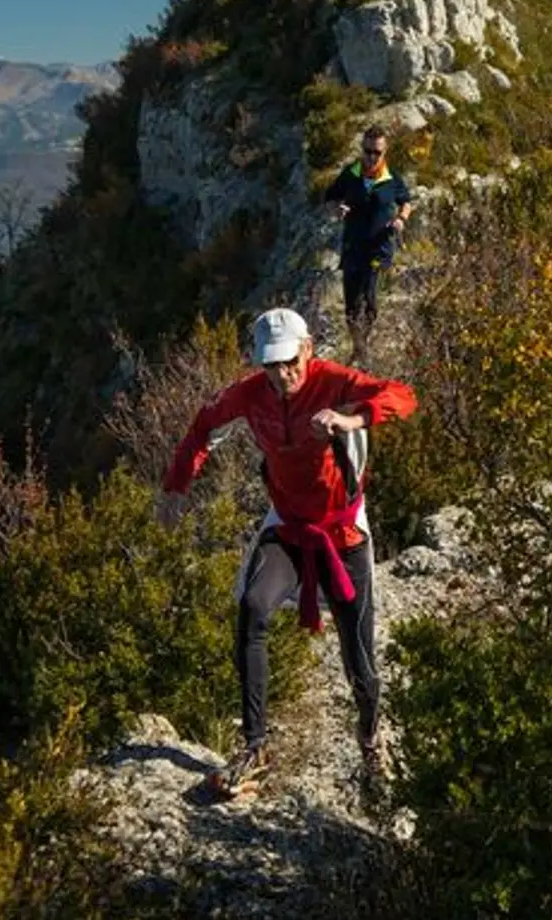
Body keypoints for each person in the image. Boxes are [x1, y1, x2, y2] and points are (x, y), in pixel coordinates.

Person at [156, 306, 417, 800]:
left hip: (342, 532)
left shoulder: (333, 381)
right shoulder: (251, 394)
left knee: (358, 654)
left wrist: (349, 418)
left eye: (290, 361)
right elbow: (203, 426)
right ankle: (255, 745)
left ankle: (370, 742)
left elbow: (402, 396)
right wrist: (177, 487)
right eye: (271, 364)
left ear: (308, 350)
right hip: (289, 526)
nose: (282, 374)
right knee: (252, 608)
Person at [324, 125, 414, 353]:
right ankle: (358, 346)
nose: (371, 157)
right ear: (361, 149)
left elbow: (406, 201)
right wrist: (337, 209)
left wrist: (401, 219)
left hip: (378, 246)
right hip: (353, 246)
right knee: (351, 301)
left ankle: (364, 342)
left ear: (385, 153)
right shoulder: (350, 174)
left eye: (377, 152)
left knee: (369, 294)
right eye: (367, 151)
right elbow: (330, 198)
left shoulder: (391, 178)